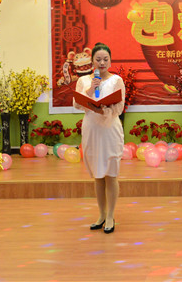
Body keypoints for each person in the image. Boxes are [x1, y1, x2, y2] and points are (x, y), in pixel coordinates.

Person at [73, 43, 125, 234]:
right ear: (92, 61)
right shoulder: (84, 81)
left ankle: (111, 215)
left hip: (110, 130)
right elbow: (77, 104)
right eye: (98, 59)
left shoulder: (117, 80)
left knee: (110, 174)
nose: (102, 63)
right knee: (98, 175)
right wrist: (90, 91)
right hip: (92, 130)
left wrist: (103, 109)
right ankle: (101, 214)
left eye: (105, 59)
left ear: (110, 61)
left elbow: (119, 108)